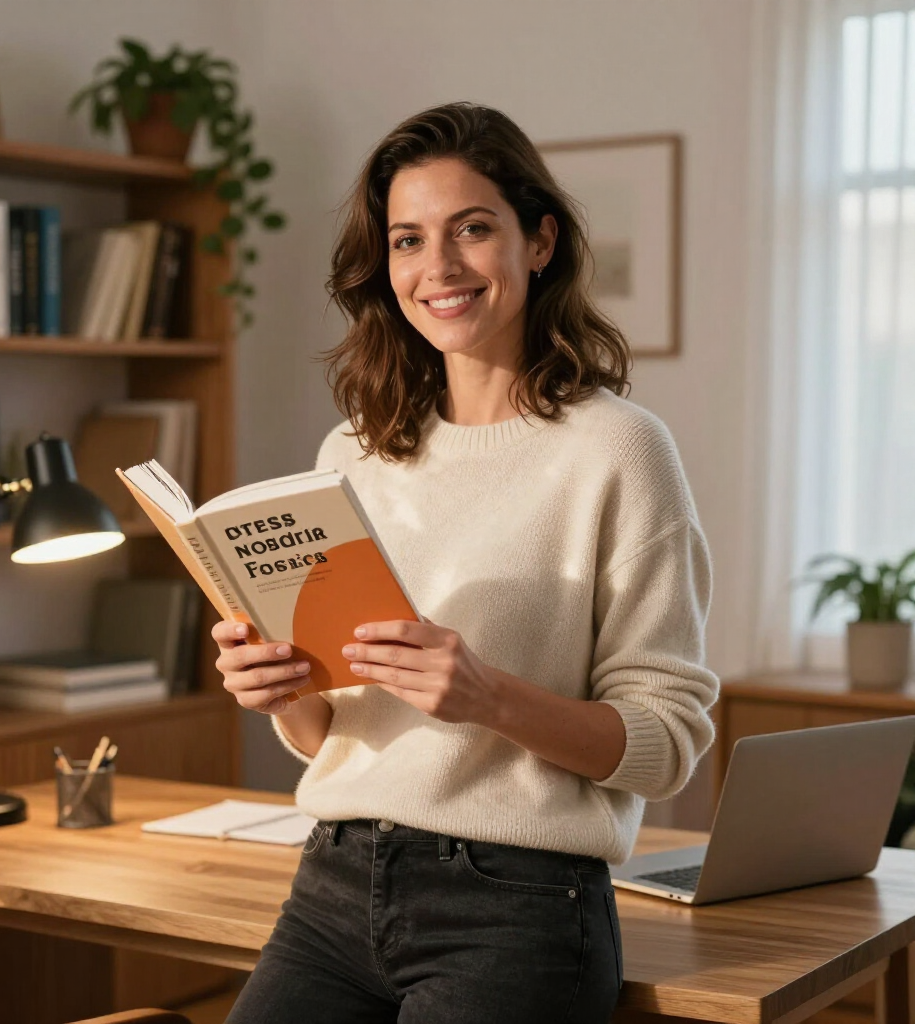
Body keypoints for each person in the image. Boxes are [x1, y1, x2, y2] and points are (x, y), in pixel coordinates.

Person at [216, 101, 719, 1024]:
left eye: (471, 229)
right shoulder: (351, 454)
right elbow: (333, 727)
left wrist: (488, 698)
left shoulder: (619, 450)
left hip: (516, 906)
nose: (437, 268)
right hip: (330, 884)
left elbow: (668, 746)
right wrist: (280, 687)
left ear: (540, 242)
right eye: (407, 240)